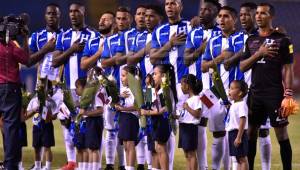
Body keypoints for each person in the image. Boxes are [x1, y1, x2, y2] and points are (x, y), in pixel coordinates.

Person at [240, 3, 294, 170]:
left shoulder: (283, 40)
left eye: (263, 13)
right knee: (250, 134)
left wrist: (288, 95)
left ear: (271, 16)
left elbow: (288, 68)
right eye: (256, 13)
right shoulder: (251, 40)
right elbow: (242, 66)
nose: (258, 16)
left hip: (274, 94)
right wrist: (259, 54)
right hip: (255, 94)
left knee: (282, 135)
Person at [223, 3, 272, 169]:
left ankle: (266, 167)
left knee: (263, 130)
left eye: (248, 14)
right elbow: (227, 64)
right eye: (241, 15)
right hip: (242, 93)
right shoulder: (235, 38)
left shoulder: (266, 36)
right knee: (241, 131)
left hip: (260, 89)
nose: (244, 18)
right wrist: (244, 51)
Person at [52, 3, 98, 169]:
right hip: (68, 88)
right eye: (70, 11)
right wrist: (71, 49)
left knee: (88, 125)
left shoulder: (93, 35)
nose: (72, 14)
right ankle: (72, 161)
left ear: (83, 12)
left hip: (87, 89)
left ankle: (89, 164)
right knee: (67, 123)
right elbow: (55, 61)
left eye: (76, 11)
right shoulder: (63, 36)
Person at [0, 9, 46, 170]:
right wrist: (25, 37)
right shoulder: (9, 46)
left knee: (6, 126)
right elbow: (27, 60)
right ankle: (11, 165)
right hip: (9, 88)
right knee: (11, 127)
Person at [150, 1, 192, 168]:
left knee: (191, 129)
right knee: (166, 129)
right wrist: (170, 44)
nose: (169, 6)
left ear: (181, 6)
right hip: (166, 87)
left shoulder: (190, 27)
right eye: (167, 3)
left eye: (173, 3)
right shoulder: (159, 31)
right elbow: (153, 58)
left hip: (185, 86)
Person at [184, 1, 221, 169]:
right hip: (200, 90)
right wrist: (201, 48)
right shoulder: (193, 34)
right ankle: (204, 167)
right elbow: (186, 59)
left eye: (208, 9)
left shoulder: (222, 34)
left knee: (219, 132)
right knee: (199, 125)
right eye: (202, 9)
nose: (203, 12)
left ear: (216, 13)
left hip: (217, 90)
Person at [201, 6, 240, 170]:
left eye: (226, 17)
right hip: (213, 93)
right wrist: (219, 58)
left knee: (235, 134)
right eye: (220, 17)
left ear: (234, 20)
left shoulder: (242, 38)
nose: (221, 20)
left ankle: (233, 167)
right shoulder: (212, 41)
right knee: (217, 134)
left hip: (237, 95)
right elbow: (203, 67)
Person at [100, 6, 132, 170]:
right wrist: (120, 59)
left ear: (130, 20)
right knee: (111, 129)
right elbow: (104, 62)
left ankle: (128, 165)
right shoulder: (110, 40)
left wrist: (118, 59)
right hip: (113, 89)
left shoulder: (134, 37)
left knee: (130, 130)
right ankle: (110, 165)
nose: (120, 21)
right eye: (118, 18)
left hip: (131, 91)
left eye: (124, 18)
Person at [141, 64, 177, 170]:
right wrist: (149, 86)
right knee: (155, 149)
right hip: (155, 122)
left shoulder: (164, 91)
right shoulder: (156, 89)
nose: (153, 76)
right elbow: (149, 105)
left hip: (163, 122)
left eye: (155, 74)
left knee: (161, 149)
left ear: (163, 76)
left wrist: (148, 113)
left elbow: (163, 109)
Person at [26, 80, 59, 170]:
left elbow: (55, 116)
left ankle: (47, 167)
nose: (41, 89)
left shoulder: (50, 101)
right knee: (36, 147)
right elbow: (27, 115)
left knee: (47, 147)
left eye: (43, 88)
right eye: (39, 87)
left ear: (48, 89)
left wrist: (48, 114)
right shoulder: (34, 100)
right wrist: (33, 110)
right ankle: (37, 166)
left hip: (47, 125)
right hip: (36, 125)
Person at [77, 76, 105, 170]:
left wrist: (86, 113)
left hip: (95, 121)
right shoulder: (89, 94)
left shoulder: (97, 93)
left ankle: (95, 168)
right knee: (90, 148)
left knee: (94, 148)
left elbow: (101, 110)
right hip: (90, 121)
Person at [114, 66, 140, 170]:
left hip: (131, 118)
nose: (121, 78)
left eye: (124, 76)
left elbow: (137, 106)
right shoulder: (123, 89)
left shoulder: (135, 88)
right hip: (123, 117)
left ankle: (130, 168)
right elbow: (113, 102)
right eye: (121, 75)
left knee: (130, 144)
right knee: (125, 145)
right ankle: (127, 166)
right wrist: (117, 103)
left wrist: (122, 108)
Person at [179, 74, 203, 170]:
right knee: (186, 153)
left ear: (188, 85)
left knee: (191, 153)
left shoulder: (197, 98)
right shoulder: (188, 99)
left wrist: (187, 107)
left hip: (190, 128)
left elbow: (197, 114)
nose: (181, 87)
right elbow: (186, 115)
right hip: (184, 127)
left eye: (182, 84)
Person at [226, 80, 249, 170]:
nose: (229, 91)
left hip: (238, 133)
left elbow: (242, 120)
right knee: (238, 158)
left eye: (232, 89)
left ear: (239, 93)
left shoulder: (242, 104)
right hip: (233, 133)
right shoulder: (234, 104)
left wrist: (239, 137)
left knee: (242, 158)